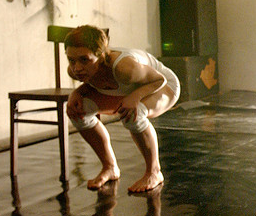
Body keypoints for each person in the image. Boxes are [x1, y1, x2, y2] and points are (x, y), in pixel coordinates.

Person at [64, 25, 180, 193]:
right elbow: (93, 82)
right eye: (71, 60)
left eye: (84, 60)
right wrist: (76, 93)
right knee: (78, 112)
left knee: (134, 114)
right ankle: (109, 167)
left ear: (101, 55)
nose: (77, 68)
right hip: (125, 89)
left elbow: (159, 80)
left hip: (161, 85)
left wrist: (136, 96)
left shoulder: (125, 68)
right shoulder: (75, 70)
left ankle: (154, 172)